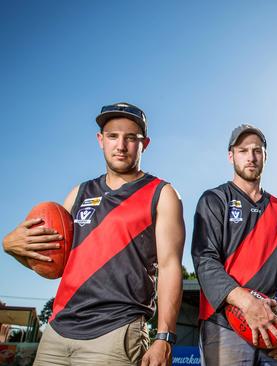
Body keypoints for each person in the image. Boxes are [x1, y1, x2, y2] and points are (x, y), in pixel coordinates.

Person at [2, 102, 185, 366]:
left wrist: (165, 337)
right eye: (113, 136)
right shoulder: (79, 193)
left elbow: (170, 267)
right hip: (58, 331)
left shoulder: (162, 193)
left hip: (115, 333)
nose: (120, 145)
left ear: (144, 143)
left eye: (130, 137)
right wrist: (12, 247)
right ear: (101, 140)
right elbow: (52, 262)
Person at [192, 124, 277, 365]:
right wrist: (248, 303)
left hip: (273, 323)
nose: (251, 157)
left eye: (257, 150)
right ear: (231, 156)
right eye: (243, 150)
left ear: (266, 156)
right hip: (225, 323)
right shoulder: (214, 200)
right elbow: (205, 261)